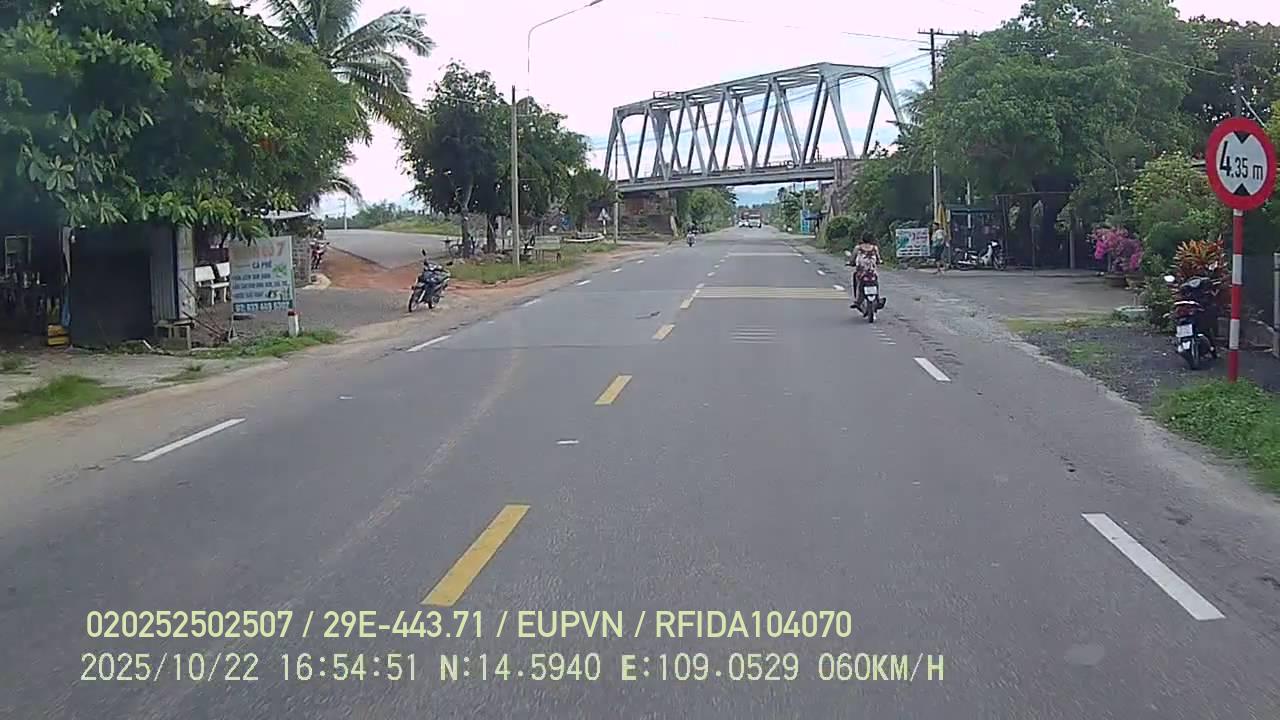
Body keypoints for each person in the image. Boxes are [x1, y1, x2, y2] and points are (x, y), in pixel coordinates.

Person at [848, 232, 881, 308]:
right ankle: (878, 298)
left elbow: (852, 258)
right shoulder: (874, 248)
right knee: (876, 283)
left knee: (858, 281)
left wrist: (850, 263)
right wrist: (879, 262)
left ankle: (857, 300)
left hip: (861, 271)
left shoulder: (858, 248)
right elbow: (878, 259)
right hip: (872, 272)